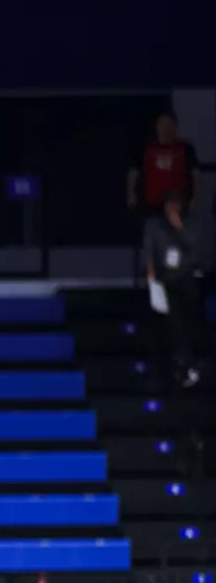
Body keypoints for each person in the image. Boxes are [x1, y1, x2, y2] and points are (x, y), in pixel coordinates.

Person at [143, 189, 206, 389]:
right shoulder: (154, 225)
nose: (171, 208)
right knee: (172, 323)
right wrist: (151, 277)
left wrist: (178, 227)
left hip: (186, 278)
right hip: (165, 281)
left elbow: (195, 252)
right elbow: (149, 251)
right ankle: (179, 365)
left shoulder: (191, 224)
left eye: (175, 204)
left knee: (188, 321)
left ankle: (187, 364)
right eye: (168, 204)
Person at [128, 112, 198, 214]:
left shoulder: (185, 148)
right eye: (163, 125)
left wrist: (195, 198)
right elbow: (133, 173)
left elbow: (196, 175)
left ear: (175, 127)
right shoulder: (146, 148)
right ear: (157, 127)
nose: (166, 129)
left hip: (179, 207)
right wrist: (131, 196)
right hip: (151, 208)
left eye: (170, 126)